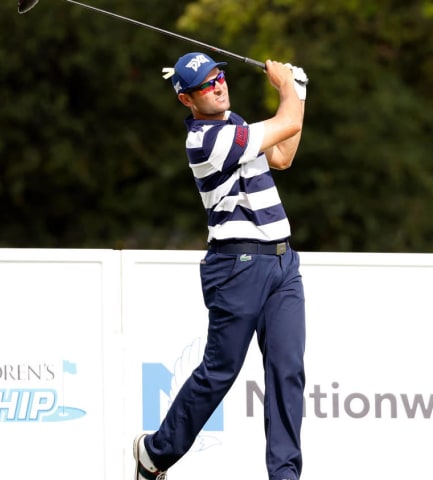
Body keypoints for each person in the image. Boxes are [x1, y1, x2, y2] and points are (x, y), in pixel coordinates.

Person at [133, 52, 308, 480]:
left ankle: (284, 475)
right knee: (220, 372)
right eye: (205, 85)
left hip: (283, 263)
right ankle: (155, 454)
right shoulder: (205, 141)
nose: (218, 85)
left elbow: (283, 154)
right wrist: (289, 88)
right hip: (237, 267)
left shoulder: (237, 125)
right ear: (186, 100)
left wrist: (298, 92)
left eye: (219, 76)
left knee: (288, 372)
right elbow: (287, 123)